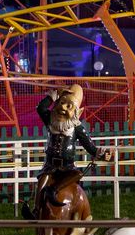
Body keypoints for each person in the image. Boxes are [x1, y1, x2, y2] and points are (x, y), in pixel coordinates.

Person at [21, 85, 112, 220]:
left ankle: (54, 189)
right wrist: (50, 98)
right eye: (62, 103)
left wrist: (101, 153)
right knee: (42, 180)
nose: (63, 108)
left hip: (67, 166)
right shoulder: (51, 121)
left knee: (78, 174)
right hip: (50, 165)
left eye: (69, 106)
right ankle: (36, 210)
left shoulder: (77, 128)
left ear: (77, 112)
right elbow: (41, 109)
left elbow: (89, 146)